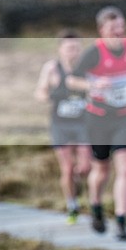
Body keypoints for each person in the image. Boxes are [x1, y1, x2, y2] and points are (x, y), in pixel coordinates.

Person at [67, 6, 126, 241]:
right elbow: (72, 80)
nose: (118, 32)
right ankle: (96, 206)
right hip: (98, 118)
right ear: (102, 30)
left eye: (121, 26)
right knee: (102, 169)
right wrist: (93, 85)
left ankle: (122, 221)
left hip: (125, 116)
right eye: (113, 28)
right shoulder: (94, 53)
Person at [34, 30, 92, 224]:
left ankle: (77, 182)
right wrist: (48, 95)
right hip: (60, 125)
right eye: (69, 48)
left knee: (85, 167)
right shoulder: (52, 68)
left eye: (76, 48)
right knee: (66, 168)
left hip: (83, 124)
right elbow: (40, 92)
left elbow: (97, 89)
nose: (73, 52)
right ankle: (72, 205)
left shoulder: (87, 69)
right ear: (60, 49)